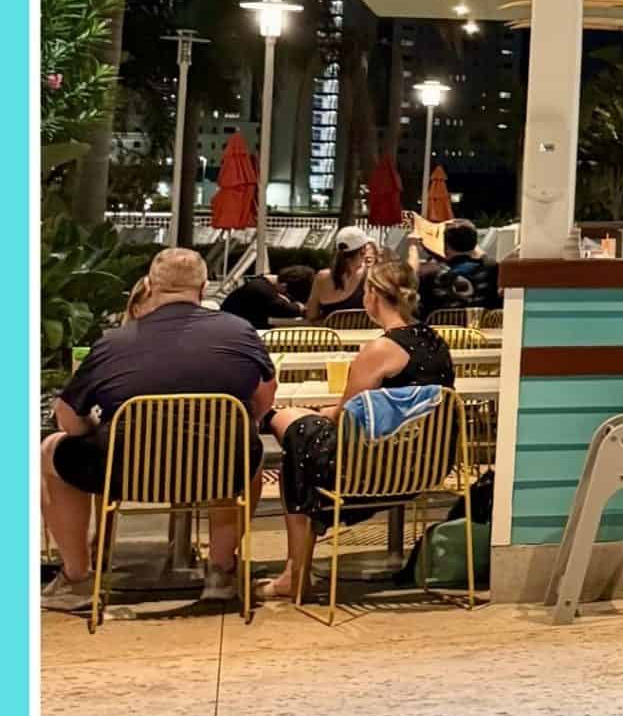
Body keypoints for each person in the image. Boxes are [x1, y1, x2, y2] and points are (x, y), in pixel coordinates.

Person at [40, 249, 275, 611]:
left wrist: (94, 428)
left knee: (51, 450)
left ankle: (78, 578)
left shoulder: (113, 342)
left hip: (125, 473)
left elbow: (67, 418)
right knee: (247, 453)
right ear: (204, 286)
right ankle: (221, 570)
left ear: (149, 286)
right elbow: (264, 397)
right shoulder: (240, 331)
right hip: (218, 470)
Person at [260, 259, 455, 604]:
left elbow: (345, 416)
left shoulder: (381, 349)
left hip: (367, 470)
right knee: (297, 427)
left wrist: (312, 412)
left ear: (373, 296)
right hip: (425, 463)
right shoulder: (436, 343)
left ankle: (296, 573)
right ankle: (299, 563)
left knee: (293, 433)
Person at [415, 223, 495, 320]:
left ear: (446, 246)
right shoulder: (491, 269)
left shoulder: (429, 273)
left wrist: (414, 246)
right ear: (475, 245)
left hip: (440, 331)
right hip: (481, 330)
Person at [305, 227, 377, 320]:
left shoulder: (321, 277)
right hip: (364, 334)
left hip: (331, 333)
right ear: (363, 250)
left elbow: (311, 314)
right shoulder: (371, 274)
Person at [220, 263, 317, 331]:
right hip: (233, 333)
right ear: (284, 286)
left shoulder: (262, 284)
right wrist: (300, 306)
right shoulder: (263, 291)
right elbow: (289, 310)